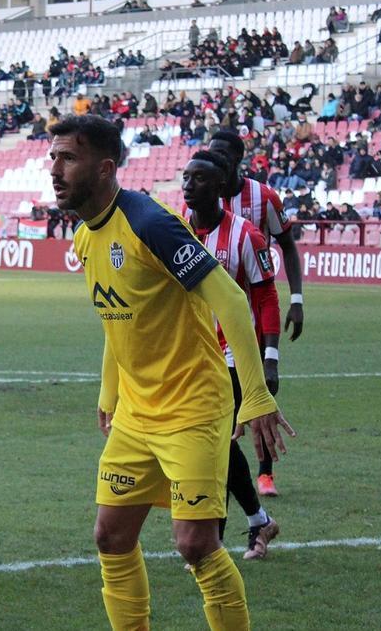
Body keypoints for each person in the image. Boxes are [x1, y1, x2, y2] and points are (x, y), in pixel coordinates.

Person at [52, 115, 293, 631]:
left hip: (192, 408)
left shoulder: (151, 223)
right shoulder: (86, 237)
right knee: (110, 537)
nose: (55, 169)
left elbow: (229, 296)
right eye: (54, 157)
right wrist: (109, 394)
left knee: (196, 544)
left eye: (68, 158)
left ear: (104, 168)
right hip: (137, 415)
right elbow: (119, 320)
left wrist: (255, 395)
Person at [182, 150, 283, 561]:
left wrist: (270, 358)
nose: (189, 184)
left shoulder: (245, 235)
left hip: (232, 357)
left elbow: (266, 296)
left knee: (216, 441)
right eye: (186, 177)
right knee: (216, 443)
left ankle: (213, 542)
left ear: (220, 187)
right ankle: (259, 521)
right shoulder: (175, 231)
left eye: (200, 178)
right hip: (190, 357)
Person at [206, 129, 303, 497]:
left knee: (258, 392)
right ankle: (227, 475)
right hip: (210, 324)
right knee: (219, 405)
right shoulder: (198, 202)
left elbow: (288, 247)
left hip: (254, 315)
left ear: (236, 160)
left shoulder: (262, 197)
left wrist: (297, 299)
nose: (215, 159)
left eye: (222, 154)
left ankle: (264, 473)